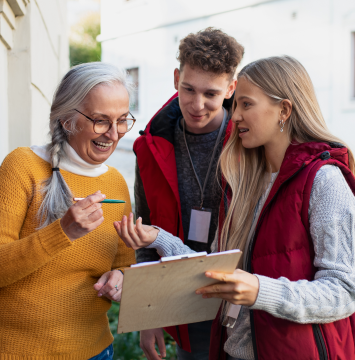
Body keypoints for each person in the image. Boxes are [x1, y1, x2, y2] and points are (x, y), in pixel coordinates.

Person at [115, 55, 355, 360]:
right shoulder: (244, 181)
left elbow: (344, 292)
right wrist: (158, 239)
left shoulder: (324, 181)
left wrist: (258, 291)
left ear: (284, 109)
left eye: (245, 104)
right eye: (236, 105)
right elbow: (216, 270)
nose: (236, 115)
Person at [0, 62, 136, 360]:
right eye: (101, 120)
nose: (114, 134)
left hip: (95, 350)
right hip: (18, 351)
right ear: (67, 120)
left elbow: (124, 264)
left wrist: (120, 279)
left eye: (122, 120)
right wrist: (62, 233)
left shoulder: (116, 183)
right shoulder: (23, 167)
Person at [133, 28, 244, 360]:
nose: (197, 105)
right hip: (184, 302)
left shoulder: (252, 140)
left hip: (247, 303)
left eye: (211, 93)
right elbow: (145, 231)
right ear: (176, 77)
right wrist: (148, 313)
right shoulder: (149, 147)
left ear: (231, 88)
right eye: (188, 89)